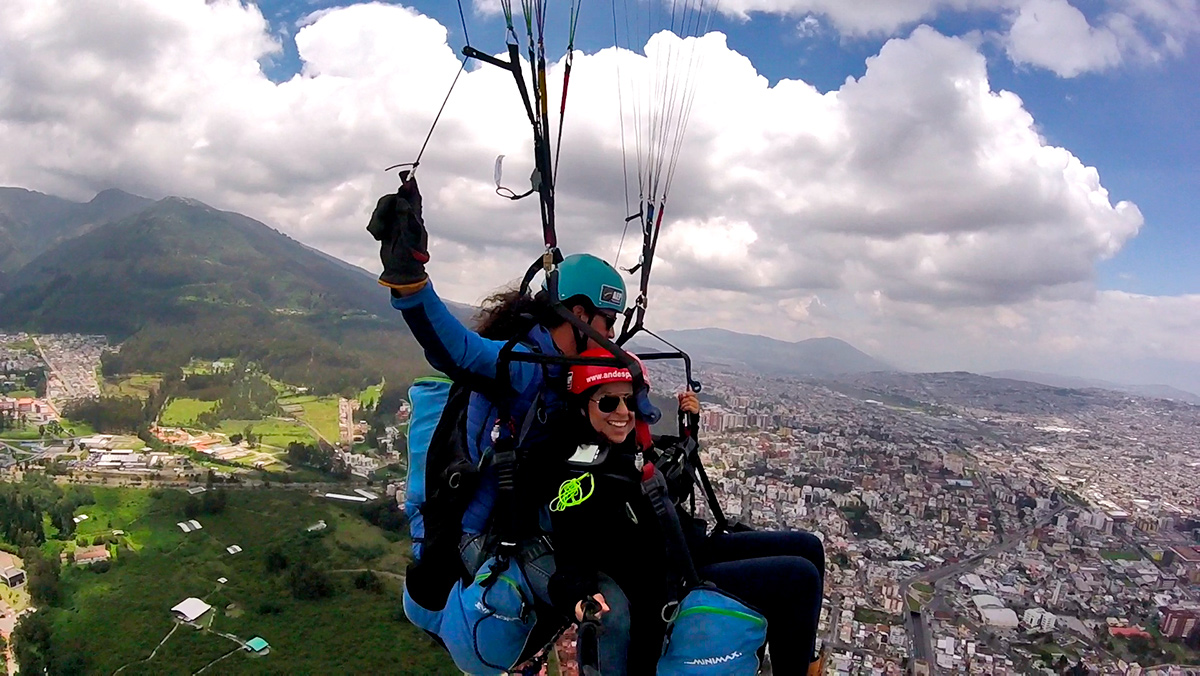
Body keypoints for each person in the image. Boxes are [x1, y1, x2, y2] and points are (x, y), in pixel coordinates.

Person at [550, 351, 826, 674]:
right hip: (671, 587)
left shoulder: (623, 449)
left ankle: (803, 665)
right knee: (800, 578)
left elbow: (668, 486)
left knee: (811, 548)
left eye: (629, 401)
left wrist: (689, 430)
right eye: (609, 403)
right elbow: (566, 566)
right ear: (583, 406)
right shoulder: (581, 477)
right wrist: (580, 601)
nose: (623, 412)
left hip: (688, 551)